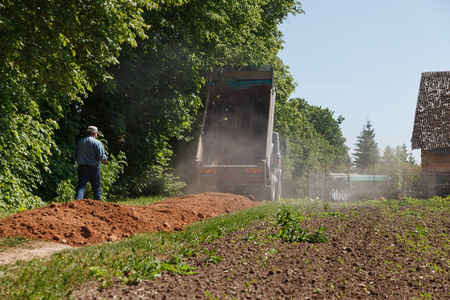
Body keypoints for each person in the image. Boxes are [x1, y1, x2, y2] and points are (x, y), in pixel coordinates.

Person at [74, 126, 107, 201]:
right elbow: (101, 157)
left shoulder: (80, 142)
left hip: (82, 167)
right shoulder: (97, 143)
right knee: (96, 189)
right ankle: (98, 207)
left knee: (81, 187)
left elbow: (75, 156)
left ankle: (76, 205)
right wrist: (104, 159)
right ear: (95, 133)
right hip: (94, 168)